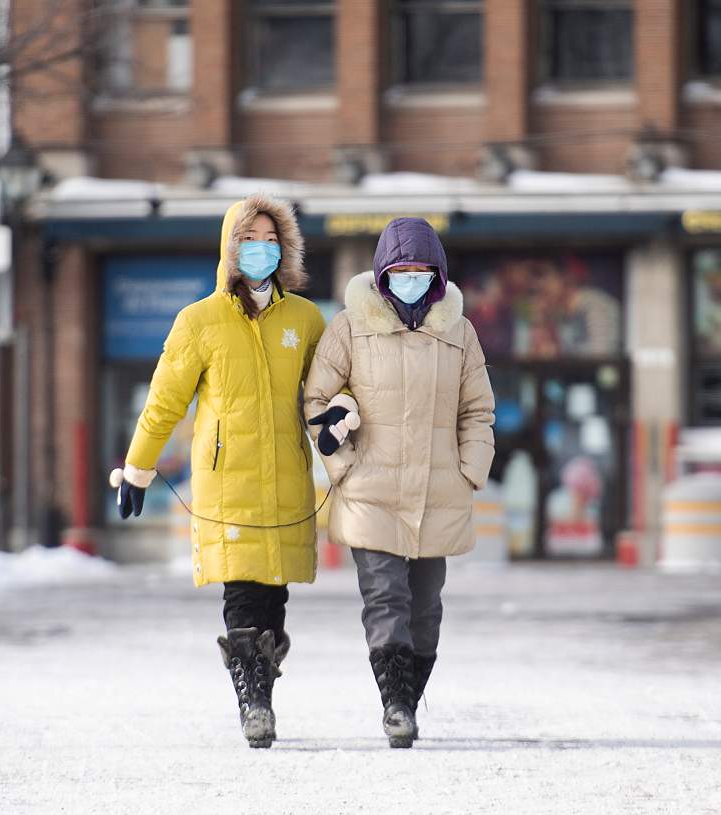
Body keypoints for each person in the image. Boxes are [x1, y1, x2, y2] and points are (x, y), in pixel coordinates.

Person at [109, 194, 325, 748]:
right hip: (226, 482)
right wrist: (138, 467)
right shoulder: (199, 321)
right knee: (244, 596)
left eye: (272, 240)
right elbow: (164, 402)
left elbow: (329, 388)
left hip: (286, 482)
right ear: (230, 248)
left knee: (273, 603)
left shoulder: (304, 319)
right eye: (249, 239)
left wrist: (338, 421)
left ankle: (261, 695)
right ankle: (254, 703)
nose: (261, 249)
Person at [304, 217, 495, 748]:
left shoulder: (460, 331)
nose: (410, 278)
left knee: (426, 608)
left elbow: (478, 411)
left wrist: (468, 471)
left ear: (437, 275)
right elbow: (318, 401)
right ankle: (394, 706)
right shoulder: (349, 327)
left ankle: (409, 697)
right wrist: (343, 465)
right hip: (372, 491)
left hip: (439, 493)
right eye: (400, 270)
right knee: (385, 598)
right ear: (382, 274)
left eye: (420, 270)